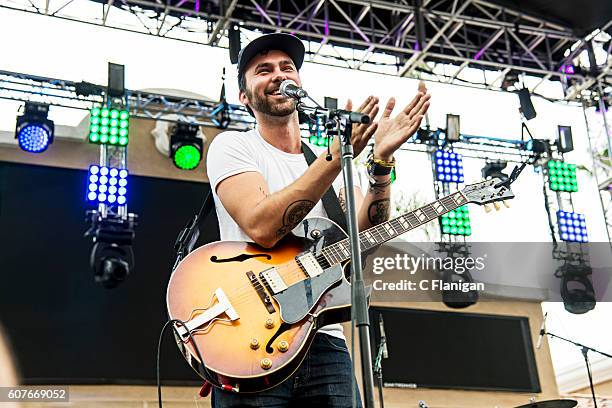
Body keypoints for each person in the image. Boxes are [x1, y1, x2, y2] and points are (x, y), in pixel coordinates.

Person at [206, 33, 430, 407]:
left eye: (287, 67)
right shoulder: (234, 146)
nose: (279, 75)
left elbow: (364, 241)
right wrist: (337, 155)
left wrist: (380, 165)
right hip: (250, 337)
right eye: (264, 70)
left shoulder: (331, 161)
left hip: (325, 339)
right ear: (244, 96)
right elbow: (261, 226)